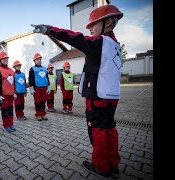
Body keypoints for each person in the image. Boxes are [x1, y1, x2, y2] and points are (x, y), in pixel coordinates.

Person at [31, 4, 123, 178]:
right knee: (110, 128)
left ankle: (101, 167)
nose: (90, 30)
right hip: (112, 96)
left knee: (97, 131)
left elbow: (74, 37)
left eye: (93, 25)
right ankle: (113, 165)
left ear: (108, 22)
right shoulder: (115, 45)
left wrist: (49, 30)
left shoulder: (99, 42)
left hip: (97, 96)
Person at [0, 51, 16, 132]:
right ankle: (6, 125)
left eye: (6, 58)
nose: (6, 59)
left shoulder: (11, 70)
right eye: (3, 58)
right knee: (5, 110)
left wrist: (15, 92)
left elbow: (14, 82)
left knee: (10, 109)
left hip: (11, 94)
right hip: (3, 95)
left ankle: (11, 124)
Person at [28, 53, 50, 121]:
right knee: (38, 102)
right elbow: (30, 79)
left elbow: (47, 78)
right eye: (37, 59)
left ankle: (43, 114)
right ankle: (38, 114)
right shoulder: (32, 69)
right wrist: (31, 88)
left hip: (44, 88)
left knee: (43, 101)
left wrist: (48, 87)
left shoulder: (44, 68)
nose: (39, 60)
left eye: (40, 59)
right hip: (37, 88)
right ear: (34, 61)